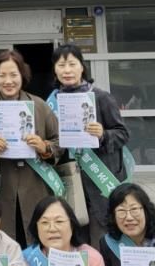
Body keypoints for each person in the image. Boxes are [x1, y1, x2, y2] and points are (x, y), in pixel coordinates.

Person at [0, 50, 61, 246]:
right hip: (2, 190)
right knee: (7, 244)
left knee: (38, 241)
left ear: (22, 75)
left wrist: (44, 147)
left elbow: (59, 142)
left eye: (13, 75)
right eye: (2, 75)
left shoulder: (39, 106)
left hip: (36, 188)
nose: (8, 81)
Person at [49, 43, 130, 247]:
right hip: (68, 179)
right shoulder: (51, 103)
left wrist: (103, 134)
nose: (67, 70)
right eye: (61, 65)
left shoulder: (101, 98)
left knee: (102, 239)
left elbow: (122, 134)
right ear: (55, 70)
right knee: (74, 237)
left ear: (82, 67)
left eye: (72, 64)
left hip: (98, 179)